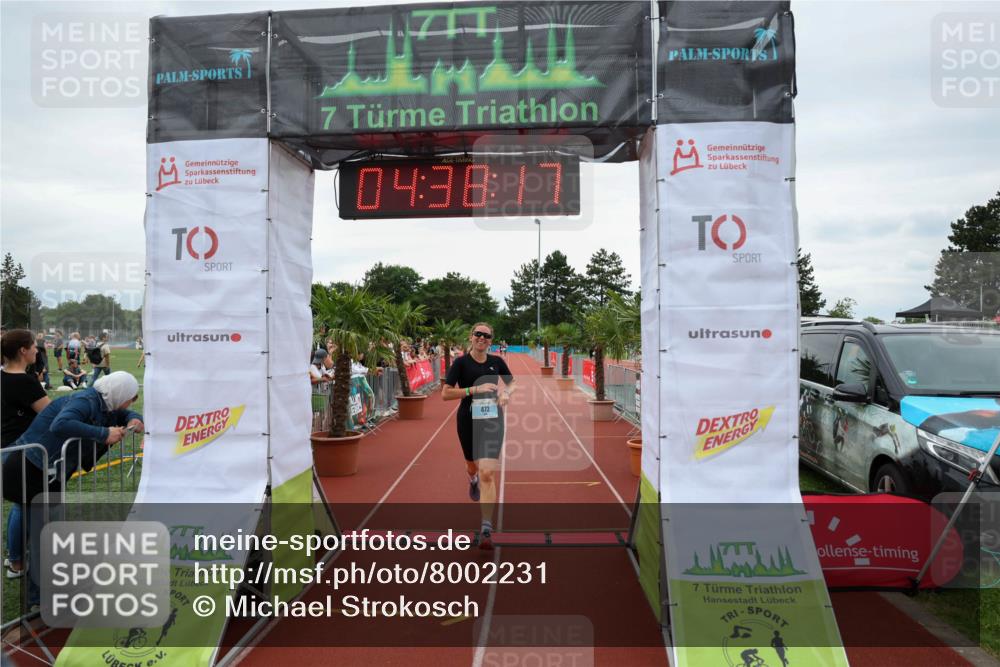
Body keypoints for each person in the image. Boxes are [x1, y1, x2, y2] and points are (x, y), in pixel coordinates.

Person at [1, 372, 143, 605]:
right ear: (119, 393)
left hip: (44, 470)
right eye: (131, 398)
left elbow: (123, 412)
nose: (131, 402)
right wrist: (103, 433)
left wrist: (134, 418)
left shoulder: (102, 401)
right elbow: (61, 424)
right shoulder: (85, 401)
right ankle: (40, 598)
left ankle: (42, 590)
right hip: (30, 468)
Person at [442, 322, 515, 549]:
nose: (482, 338)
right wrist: (473, 390)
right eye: (478, 334)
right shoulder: (461, 363)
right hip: (467, 420)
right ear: (471, 337)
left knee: (487, 472)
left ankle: (486, 527)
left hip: (493, 421)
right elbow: (445, 393)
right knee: (473, 467)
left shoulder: (497, 362)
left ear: (491, 340)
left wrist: (506, 394)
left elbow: (513, 383)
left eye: (486, 335)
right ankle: (471, 478)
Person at [1, 330, 51, 578]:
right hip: (21, 452)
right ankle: (17, 563)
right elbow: (50, 412)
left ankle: (14, 555)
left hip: (8, 449)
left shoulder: (3, 377)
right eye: (33, 346)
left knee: (21, 506)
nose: (36, 350)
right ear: (22, 350)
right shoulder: (24, 381)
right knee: (25, 507)